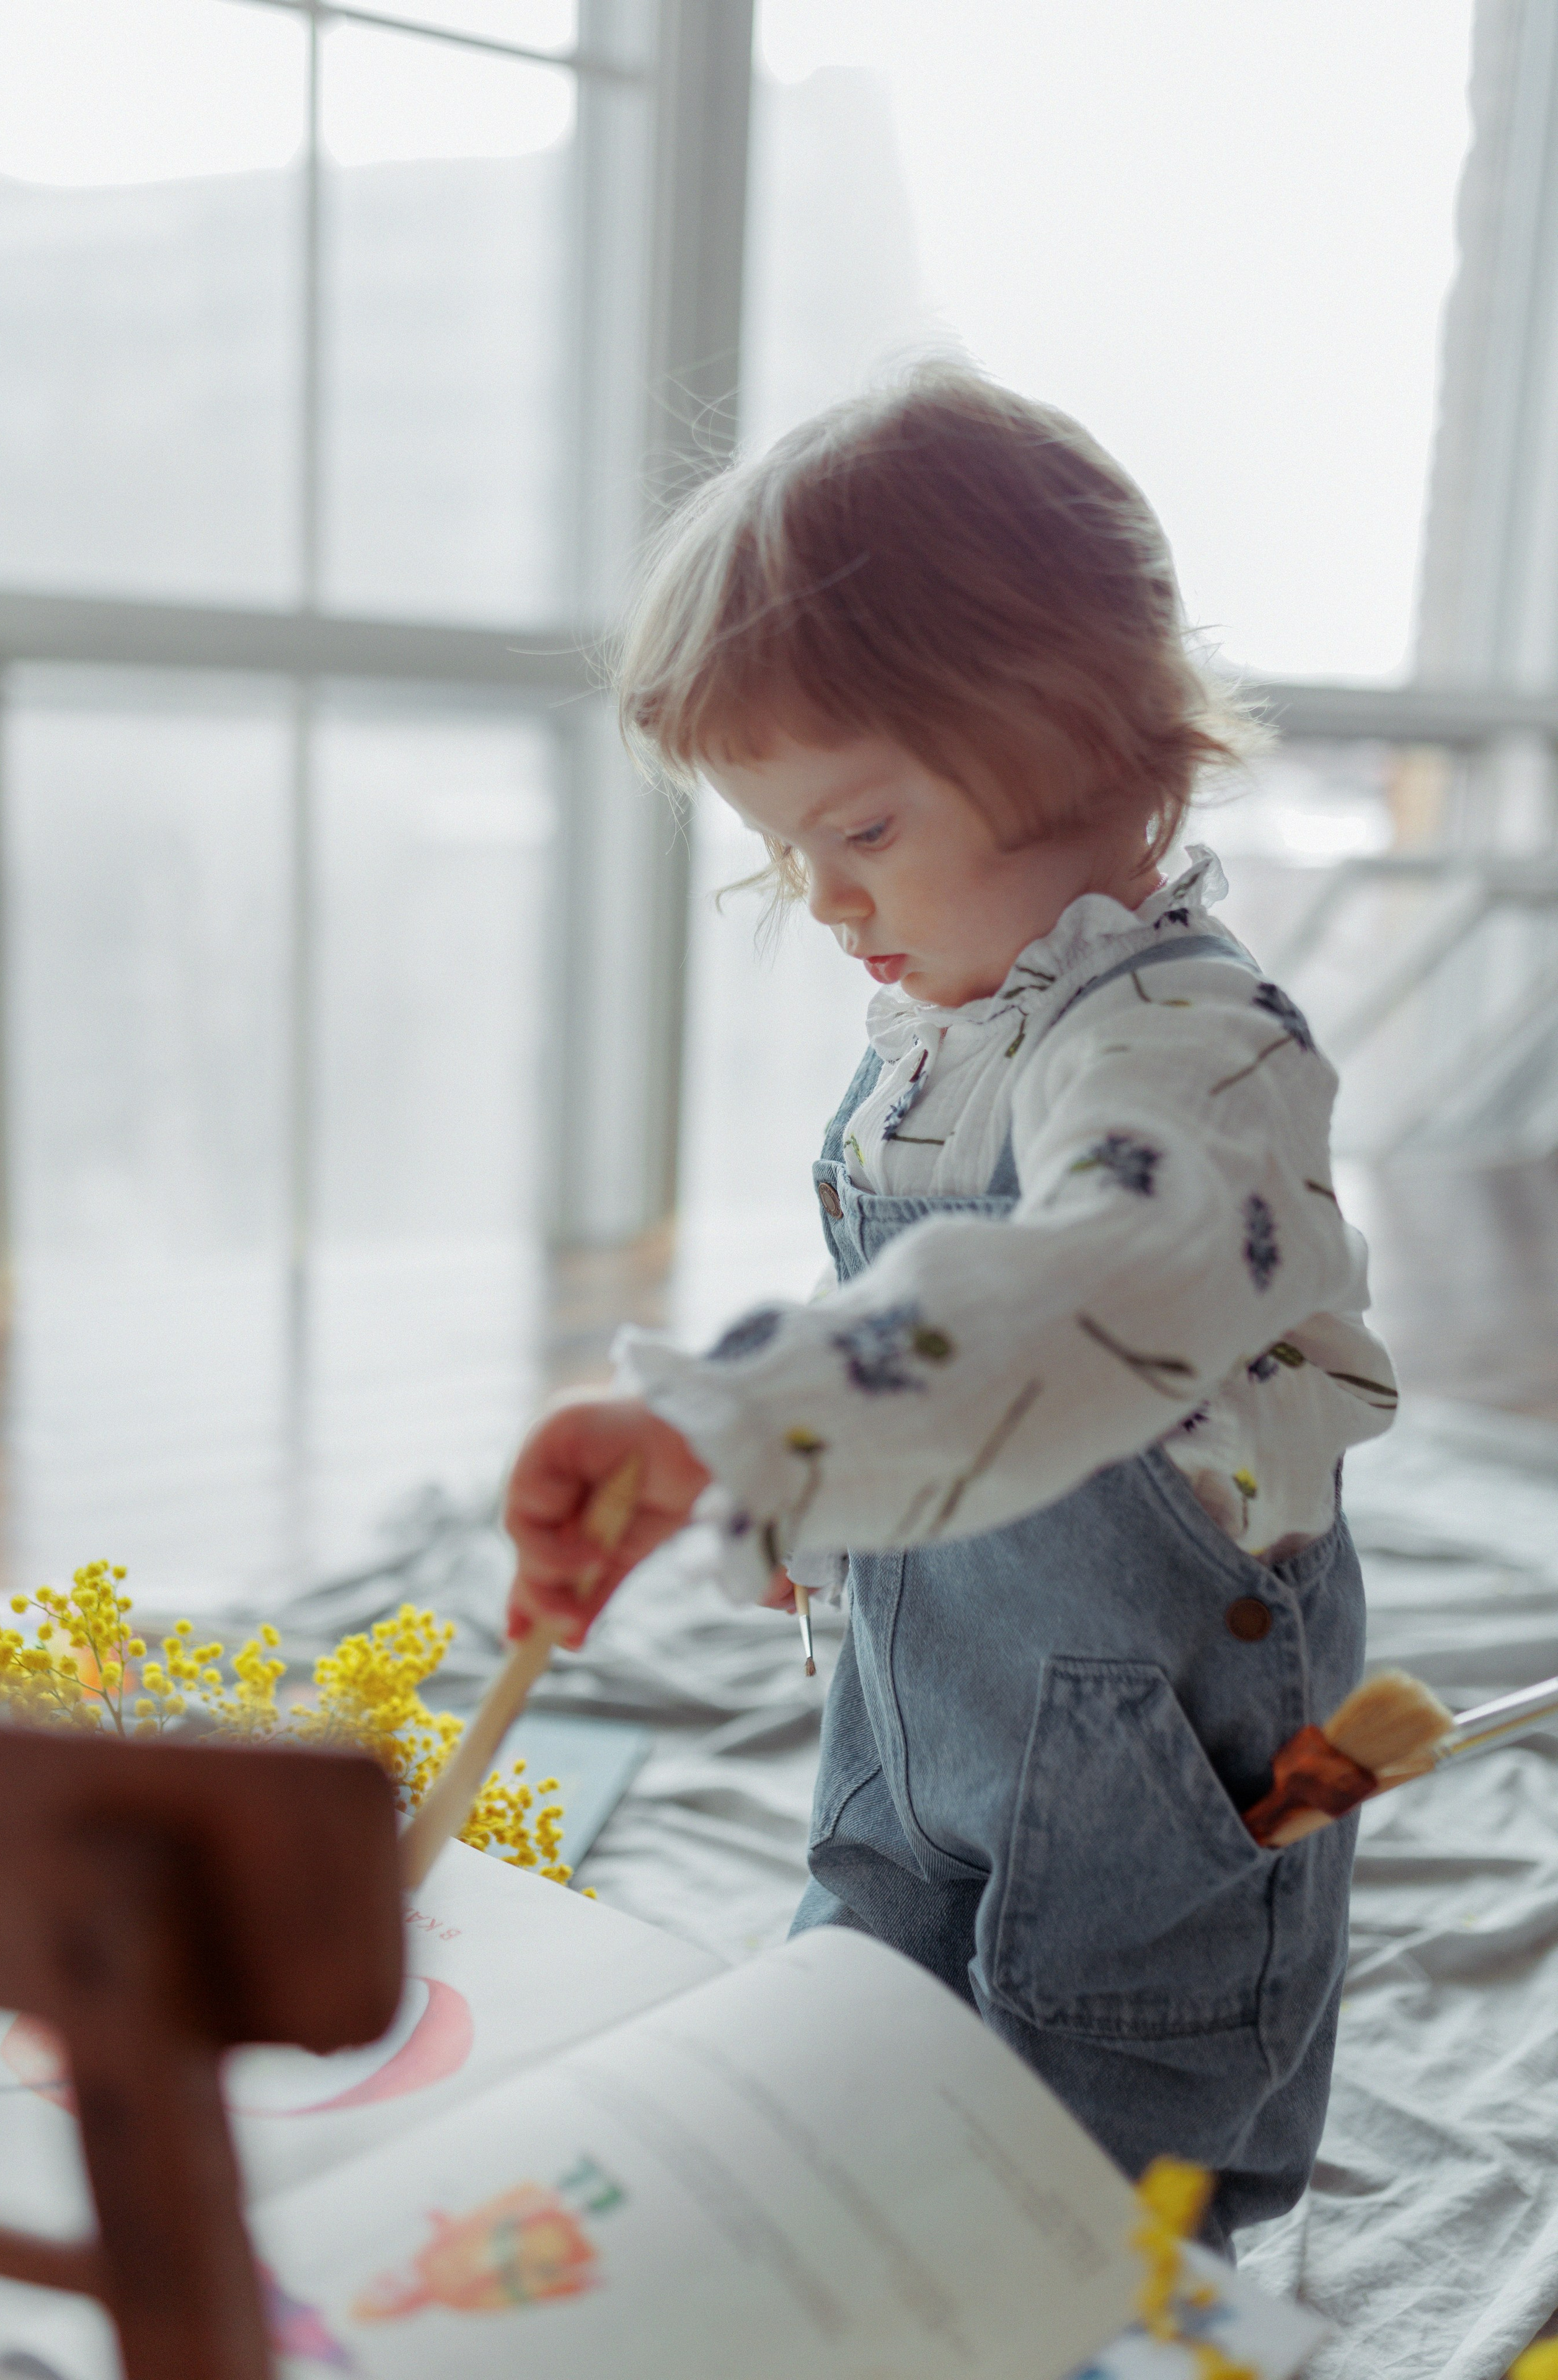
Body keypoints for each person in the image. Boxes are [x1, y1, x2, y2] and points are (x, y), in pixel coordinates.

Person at [502, 364, 1396, 2250]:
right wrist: (807, 1517)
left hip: (1145, 1749)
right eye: (780, 850)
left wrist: (740, 1423)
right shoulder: (958, 1028)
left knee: (1095, 2159)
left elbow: (1056, 1303)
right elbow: (916, 1328)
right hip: (923, 1700)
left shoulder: (1188, 1061)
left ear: (1077, 737)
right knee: (862, 2039)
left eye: (862, 830)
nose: (819, 899)